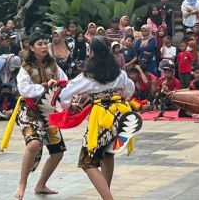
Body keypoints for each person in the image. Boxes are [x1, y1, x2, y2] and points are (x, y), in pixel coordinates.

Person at [56, 35, 142, 200]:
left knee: (87, 161)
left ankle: (108, 198)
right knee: (108, 154)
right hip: (121, 116)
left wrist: (69, 106)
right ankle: (106, 193)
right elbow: (130, 91)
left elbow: (66, 93)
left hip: (102, 117)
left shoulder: (89, 75)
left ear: (92, 52)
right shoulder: (119, 72)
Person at [13, 32, 68, 200]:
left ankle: (41, 184)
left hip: (48, 111)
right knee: (34, 143)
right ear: (31, 47)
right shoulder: (25, 67)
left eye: (45, 43)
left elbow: (65, 83)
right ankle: (22, 183)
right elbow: (24, 90)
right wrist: (45, 87)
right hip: (29, 111)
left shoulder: (54, 65)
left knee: (58, 152)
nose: (44, 46)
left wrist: (64, 99)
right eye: (39, 44)